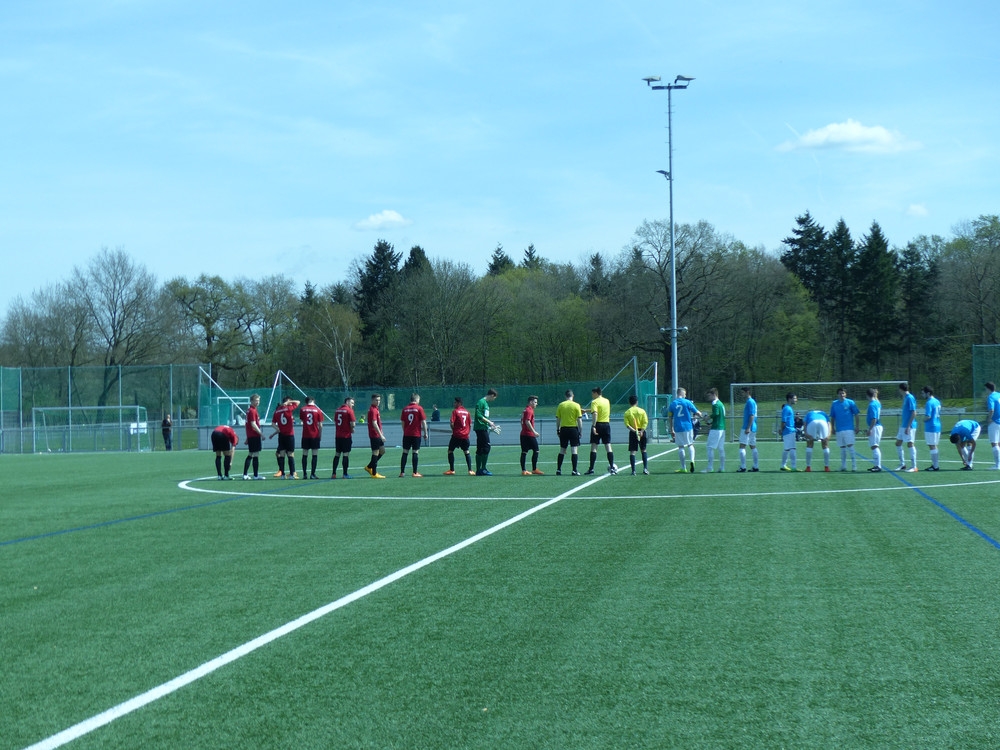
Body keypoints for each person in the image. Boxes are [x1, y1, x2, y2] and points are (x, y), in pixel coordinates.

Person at [667, 387, 701, 473]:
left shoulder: (673, 404)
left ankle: (683, 467)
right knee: (690, 444)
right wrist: (702, 416)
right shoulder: (687, 402)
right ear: (681, 393)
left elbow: (670, 417)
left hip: (678, 427)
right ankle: (692, 461)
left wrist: (671, 429)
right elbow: (697, 412)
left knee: (681, 446)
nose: (685, 396)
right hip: (688, 427)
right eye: (685, 394)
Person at [586, 387, 616, 475]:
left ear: (596, 393)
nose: (592, 395)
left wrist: (593, 426)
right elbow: (599, 410)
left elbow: (595, 413)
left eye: (592, 393)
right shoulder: (607, 401)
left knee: (594, 446)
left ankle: (591, 469)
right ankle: (612, 467)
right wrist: (587, 411)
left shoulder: (594, 402)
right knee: (608, 446)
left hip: (598, 424)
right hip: (606, 424)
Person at [829, 388, 860, 471]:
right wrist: (832, 427)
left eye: (843, 393)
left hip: (849, 428)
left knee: (850, 446)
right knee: (842, 448)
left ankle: (854, 466)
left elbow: (856, 414)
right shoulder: (834, 404)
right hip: (839, 429)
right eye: (840, 393)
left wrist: (857, 426)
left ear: (845, 394)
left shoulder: (850, 402)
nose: (842, 395)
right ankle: (843, 466)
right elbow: (832, 417)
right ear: (837, 395)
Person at [270, 396, 300, 479]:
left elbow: (272, 424)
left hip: (281, 435)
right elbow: (298, 402)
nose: (291, 403)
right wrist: (289, 402)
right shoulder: (288, 408)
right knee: (290, 454)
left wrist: (278, 429)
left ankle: (283, 474)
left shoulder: (277, 411)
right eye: (290, 402)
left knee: (282, 454)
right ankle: (292, 474)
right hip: (289, 434)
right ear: (287, 402)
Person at [555, 389, 584, 476]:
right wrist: (580, 431)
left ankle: (558, 469)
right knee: (574, 449)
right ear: (573, 396)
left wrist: (558, 429)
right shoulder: (576, 405)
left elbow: (558, 419)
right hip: (573, 429)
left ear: (565, 396)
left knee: (562, 449)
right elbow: (579, 420)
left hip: (563, 429)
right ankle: (574, 470)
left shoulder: (561, 405)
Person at [399, 393, 428, 477]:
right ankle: (415, 472)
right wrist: (425, 433)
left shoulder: (405, 409)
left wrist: (405, 431)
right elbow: (423, 422)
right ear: (416, 399)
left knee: (405, 452)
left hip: (407, 434)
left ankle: (402, 472)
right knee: (415, 452)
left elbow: (403, 422)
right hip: (416, 434)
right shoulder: (419, 408)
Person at [444, 397, 475, 475]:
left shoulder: (455, 411)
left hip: (457, 435)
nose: (454, 404)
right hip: (465, 436)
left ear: (459, 403)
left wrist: (454, 430)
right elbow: (470, 424)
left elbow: (452, 423)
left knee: (450, 451)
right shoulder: (467, 412)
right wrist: (467, 432)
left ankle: (452, 470)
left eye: (455, 402)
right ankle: (470, 470)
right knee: (466, 451)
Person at [299, 396, 326, 479]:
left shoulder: (302, 409)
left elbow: (302, 420)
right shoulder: (318, 410)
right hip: (315, 435)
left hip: (305, 435)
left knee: (305, 454)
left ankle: (304, 474)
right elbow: (320, 425)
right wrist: (320, 435)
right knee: (314, 454)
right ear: (313, 401)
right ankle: (312, 474)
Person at [474, 388, 498, 476]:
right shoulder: (481, 402)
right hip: (480, 428)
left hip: (483, 428)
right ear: (492, 395)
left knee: (481, 448)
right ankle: (483, 469)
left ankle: (479, 470)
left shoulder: (486, 404)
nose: (493, 400)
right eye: (494, 398)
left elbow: (484, 417)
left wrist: (489, 426)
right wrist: (489, 422)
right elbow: (478, 415)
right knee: (486, 447)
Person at [623, 394, 649, 475]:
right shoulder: (642, 411)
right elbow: (645, 422)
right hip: (642, 432)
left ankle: (633, 471)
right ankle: (645, 469)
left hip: (633, 432)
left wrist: (634, 431)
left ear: (629, 402)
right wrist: (642, 431)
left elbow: (627, 424)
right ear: (637, 402)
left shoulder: (627, 412)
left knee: (633, 452)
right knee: (643, 450)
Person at [895, 383, 918, 472]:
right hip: (903, 425)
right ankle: (902, 464)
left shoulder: (910, 398)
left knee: (910, 444)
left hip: (909, 426)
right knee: (898, 443)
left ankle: (914, 466)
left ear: (901, 389)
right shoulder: (905, 398)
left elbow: (914, 412)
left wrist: (908, 426)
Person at [330, 397, 356, 479]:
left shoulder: (337, 410)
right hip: (346, 436)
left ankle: (333, 473)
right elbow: (353, 424)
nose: (353, 405)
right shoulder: (349, 410)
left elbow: (335, 421)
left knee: (337, 454)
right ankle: (345, 474)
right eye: (352, 403)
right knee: (345, 454)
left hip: (338, 436)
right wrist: (351, 429)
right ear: (347, 402)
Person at [241, 393, 265, 480]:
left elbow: (248, 425)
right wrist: (261, 434)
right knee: (255, 454)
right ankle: (255, 475)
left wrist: (248, 437)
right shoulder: (252, 411)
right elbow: (253, 424)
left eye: (258, 400)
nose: (257, 402)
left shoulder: (250, 410)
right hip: (254, 435)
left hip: (251, 436)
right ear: (251, 401)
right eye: (256, 400)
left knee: (251, 454)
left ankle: (245, 474)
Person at [364, 393, 387, 479]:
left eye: (379, 400)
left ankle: (369, 466)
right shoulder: (373, 410)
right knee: (375, 452)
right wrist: (381, 435)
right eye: (376, 400)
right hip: (375, 434)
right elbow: (374, 423)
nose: (378, 402)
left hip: (377, 434)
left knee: (382, 451)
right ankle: (374, 473)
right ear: (372, 400)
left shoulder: (375, 409)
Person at [519, 395, 544, 475]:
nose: (536, 404)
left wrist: (523, 429)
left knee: (524, 452)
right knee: (536, 450)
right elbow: (527, 421)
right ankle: (534, 469)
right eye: (535, 402)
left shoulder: (525, 410)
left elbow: (521, 421)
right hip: (529, 434)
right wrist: (534, 432)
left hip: (523, 434)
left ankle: (524, 470)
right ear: (531, 402)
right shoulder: (529, 410)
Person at [703, 388, 726, 473]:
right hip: (722, 428)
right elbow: (721, 416)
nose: (708, 398)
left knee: (710, 447)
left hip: (716, 428)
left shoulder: (715, 403)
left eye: (709, 395)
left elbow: (716, 413)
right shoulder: (721, 403)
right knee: (721, 448)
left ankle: (710, 467)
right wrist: (712, 422)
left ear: (714, 395)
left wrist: (707, 418)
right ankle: (722, 468)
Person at [738, 386, 759, 472]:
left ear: (747, 392)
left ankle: (743, 467)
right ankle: (755, 466)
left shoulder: (750, 402)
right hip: (753, 427)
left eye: (742, 392)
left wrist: (748, 427)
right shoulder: (751, 401)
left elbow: (752, 415)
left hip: (748, 427)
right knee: (753, 446)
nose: (741, 394)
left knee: (742, 446)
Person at [803, 408, 830, 472]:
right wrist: (829, 434)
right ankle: (826, 467)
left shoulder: (809, 413)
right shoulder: (823, 413)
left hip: (812, 422)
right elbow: (829, 424)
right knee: (825, 445)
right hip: (823, 422)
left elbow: (805, 423)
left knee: (809, 444)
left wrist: (805, 432)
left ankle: (808, 467)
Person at [922, 386, 942, 471]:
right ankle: (935, 465)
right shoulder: (937, 401)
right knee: (934, 445)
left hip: (931, 426)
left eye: (923, 393)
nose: (922, 395)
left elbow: (928, 416)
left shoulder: (929, 402)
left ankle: (935, 466)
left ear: (928, 393)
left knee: (932, 446)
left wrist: (923, 420)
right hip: (937, 425)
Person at [866, 388, 884, 472]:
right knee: (874, 446)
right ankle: (876, 465)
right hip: (876, 426)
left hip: (875, 426)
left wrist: (870, 429)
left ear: (867, 395)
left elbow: (874, 418)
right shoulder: (877, 403)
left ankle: (878, 466)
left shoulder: (872, 405)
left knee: (874, 446)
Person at [780, 393, 798, 471]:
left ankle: (783, 465)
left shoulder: (788, 408)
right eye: (794, 398)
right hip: (789, 430)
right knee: (792, 448)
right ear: (790, 399)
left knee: (787, 449)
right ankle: (793, 467)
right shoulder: (787, 408)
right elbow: (783, 421)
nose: (796, 400)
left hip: (789, 430)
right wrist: (782, 429)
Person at [985, 382, 1000, 470]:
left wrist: (989, 419)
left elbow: (991, 410)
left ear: (988, 389)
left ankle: (997, 465)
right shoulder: (999, 395)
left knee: (994, 443)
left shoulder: (990, 397)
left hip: (994, 422)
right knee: (999, 443)